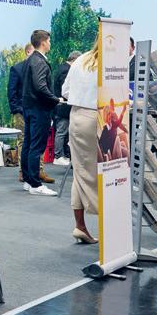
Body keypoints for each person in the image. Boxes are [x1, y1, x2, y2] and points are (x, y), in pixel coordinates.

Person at [61, 41, 98, 243]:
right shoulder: (108, 64)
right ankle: (108, 224)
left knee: (80, 171)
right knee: (99, 172)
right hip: (96, 118)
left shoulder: (80, 59)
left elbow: (65, 91)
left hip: (76, 116)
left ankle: (80, 226)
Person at [21, 30, 62, 196]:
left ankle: (28, 180)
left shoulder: (30, 60)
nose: (50, 44)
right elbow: (40, 86)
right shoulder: (39, 61)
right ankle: (35, 184)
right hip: (39, 110)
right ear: (43, 42)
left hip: (30, 108)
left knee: (29, 145)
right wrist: (55, 99)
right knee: (36, 147)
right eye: (49, 41)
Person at [7, 43, 53, 183]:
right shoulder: (17, 68)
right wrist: (17, 110)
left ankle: (39, 170)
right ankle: (24, 171)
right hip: (22, 112)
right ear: (28, 52)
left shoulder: (40, 66)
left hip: (37, 110)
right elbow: (12, 92)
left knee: (38, 140)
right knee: (24, 141)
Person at [53, 51, 81, 166]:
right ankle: (58, 155)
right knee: (62, 132)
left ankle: (63, 155)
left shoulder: (62, 68)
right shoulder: (66, 70)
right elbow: (66, 90)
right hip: (63, 107)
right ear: (74, 60)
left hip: (62, 107)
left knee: (64, 132)